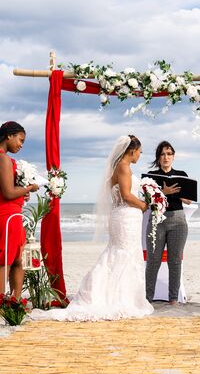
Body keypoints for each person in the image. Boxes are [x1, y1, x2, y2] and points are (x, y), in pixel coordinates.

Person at [31, 135, 154, 321]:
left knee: (118, 253)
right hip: (126, 217)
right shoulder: (123, 166)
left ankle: (117, 295)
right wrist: (144, 205)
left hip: (123, 216)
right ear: (132, 150)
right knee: (124, 254)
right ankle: (118, 298)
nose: (140, 155)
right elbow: (127, 195)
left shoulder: (117, 167)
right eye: (140, 152)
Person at [145, 141, 191, 305]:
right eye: (163, 154)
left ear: (173, 156)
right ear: (158, 157)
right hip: (157, 219)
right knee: (153, 260)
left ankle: (173, 298)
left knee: (175, 260)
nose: (166, 157)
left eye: (169, 154)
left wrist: (175, 194)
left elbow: (189, 200)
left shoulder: (182, 174)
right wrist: (163, 192)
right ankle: (147, 298)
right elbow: (147, 201)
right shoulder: (150, 176)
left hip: (177, 220)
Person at [0, 121, 39, 297]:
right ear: (9, 135)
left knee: (17, 259)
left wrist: (21, 192)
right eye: (20, 140)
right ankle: (4, 302)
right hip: (7, 214)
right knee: (6, 259)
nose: (21, 145)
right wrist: (29, 188)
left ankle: (14, 302)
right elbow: (8, 192)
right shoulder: (3, 159)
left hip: (12, 213)